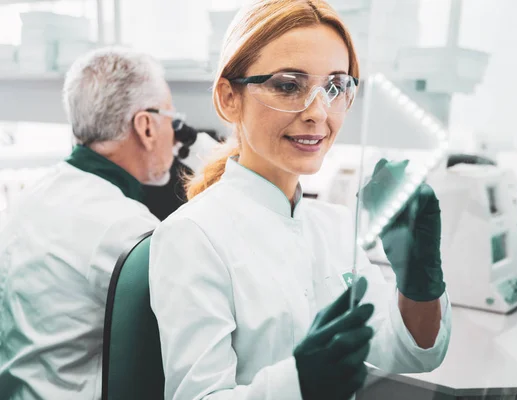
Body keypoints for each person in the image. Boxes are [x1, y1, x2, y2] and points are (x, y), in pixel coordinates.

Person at [149, 1, 452, 399]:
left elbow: (409, 353)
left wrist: (419, 276)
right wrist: (296, 383)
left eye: (335, 87)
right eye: (288, 85)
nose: (317, 112)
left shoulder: (337, 225)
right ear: (228, 98)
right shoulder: (192, 236)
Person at [0, 47, 180, 399]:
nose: (174, 136)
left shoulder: (32, 195)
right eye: (171, 119)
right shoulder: (126, 230)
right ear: (145, 126)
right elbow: (182, 333)